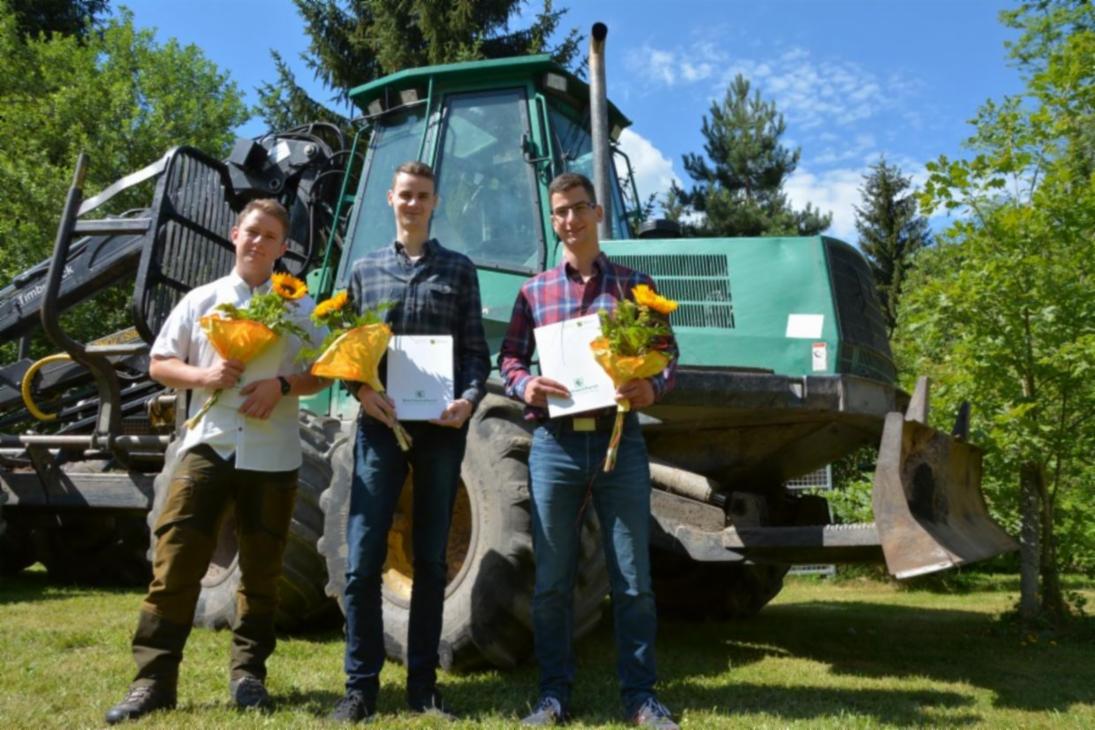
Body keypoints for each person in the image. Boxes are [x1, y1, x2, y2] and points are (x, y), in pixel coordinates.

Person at [105, 199, 329, 724]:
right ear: (235, 235)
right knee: (176, 561)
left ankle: (248, 676)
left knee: (263, 572)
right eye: (253, 231)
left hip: (273, 453)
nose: (259, 242)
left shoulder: (300, 306)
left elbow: (324, 372)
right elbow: (160, 363)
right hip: (206, 445)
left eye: (271, 236)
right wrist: (204, 378)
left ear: (282, 247)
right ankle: (153, 681)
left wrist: (280, 384)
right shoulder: (200, 301)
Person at [499, 173, 681, 729]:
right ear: (553, 221)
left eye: (579, 209)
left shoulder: (636, 286)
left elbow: (668, 356)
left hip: (618, 442)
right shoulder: (534, 291)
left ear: (597, 213)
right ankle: (553, 695)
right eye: (560, 212)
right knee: (552, 578)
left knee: (633, 579)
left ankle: (641, 698)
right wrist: (523, 386)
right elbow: (508, 359)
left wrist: (653, 385)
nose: (571, 220)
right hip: (553, 446)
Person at [331, 161, 491, 723]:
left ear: (435, 203)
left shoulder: (459, 269)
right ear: (390, 201)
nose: (413, 204)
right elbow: (347, 351)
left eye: (422, 196)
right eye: (405, 195)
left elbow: (476, 352)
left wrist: (468, 400)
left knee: (429, 558)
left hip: (441, 434)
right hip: (380, 428)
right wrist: (359, 390)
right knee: (363, 558)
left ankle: (422, 687)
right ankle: (360, 688)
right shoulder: (366, 269)